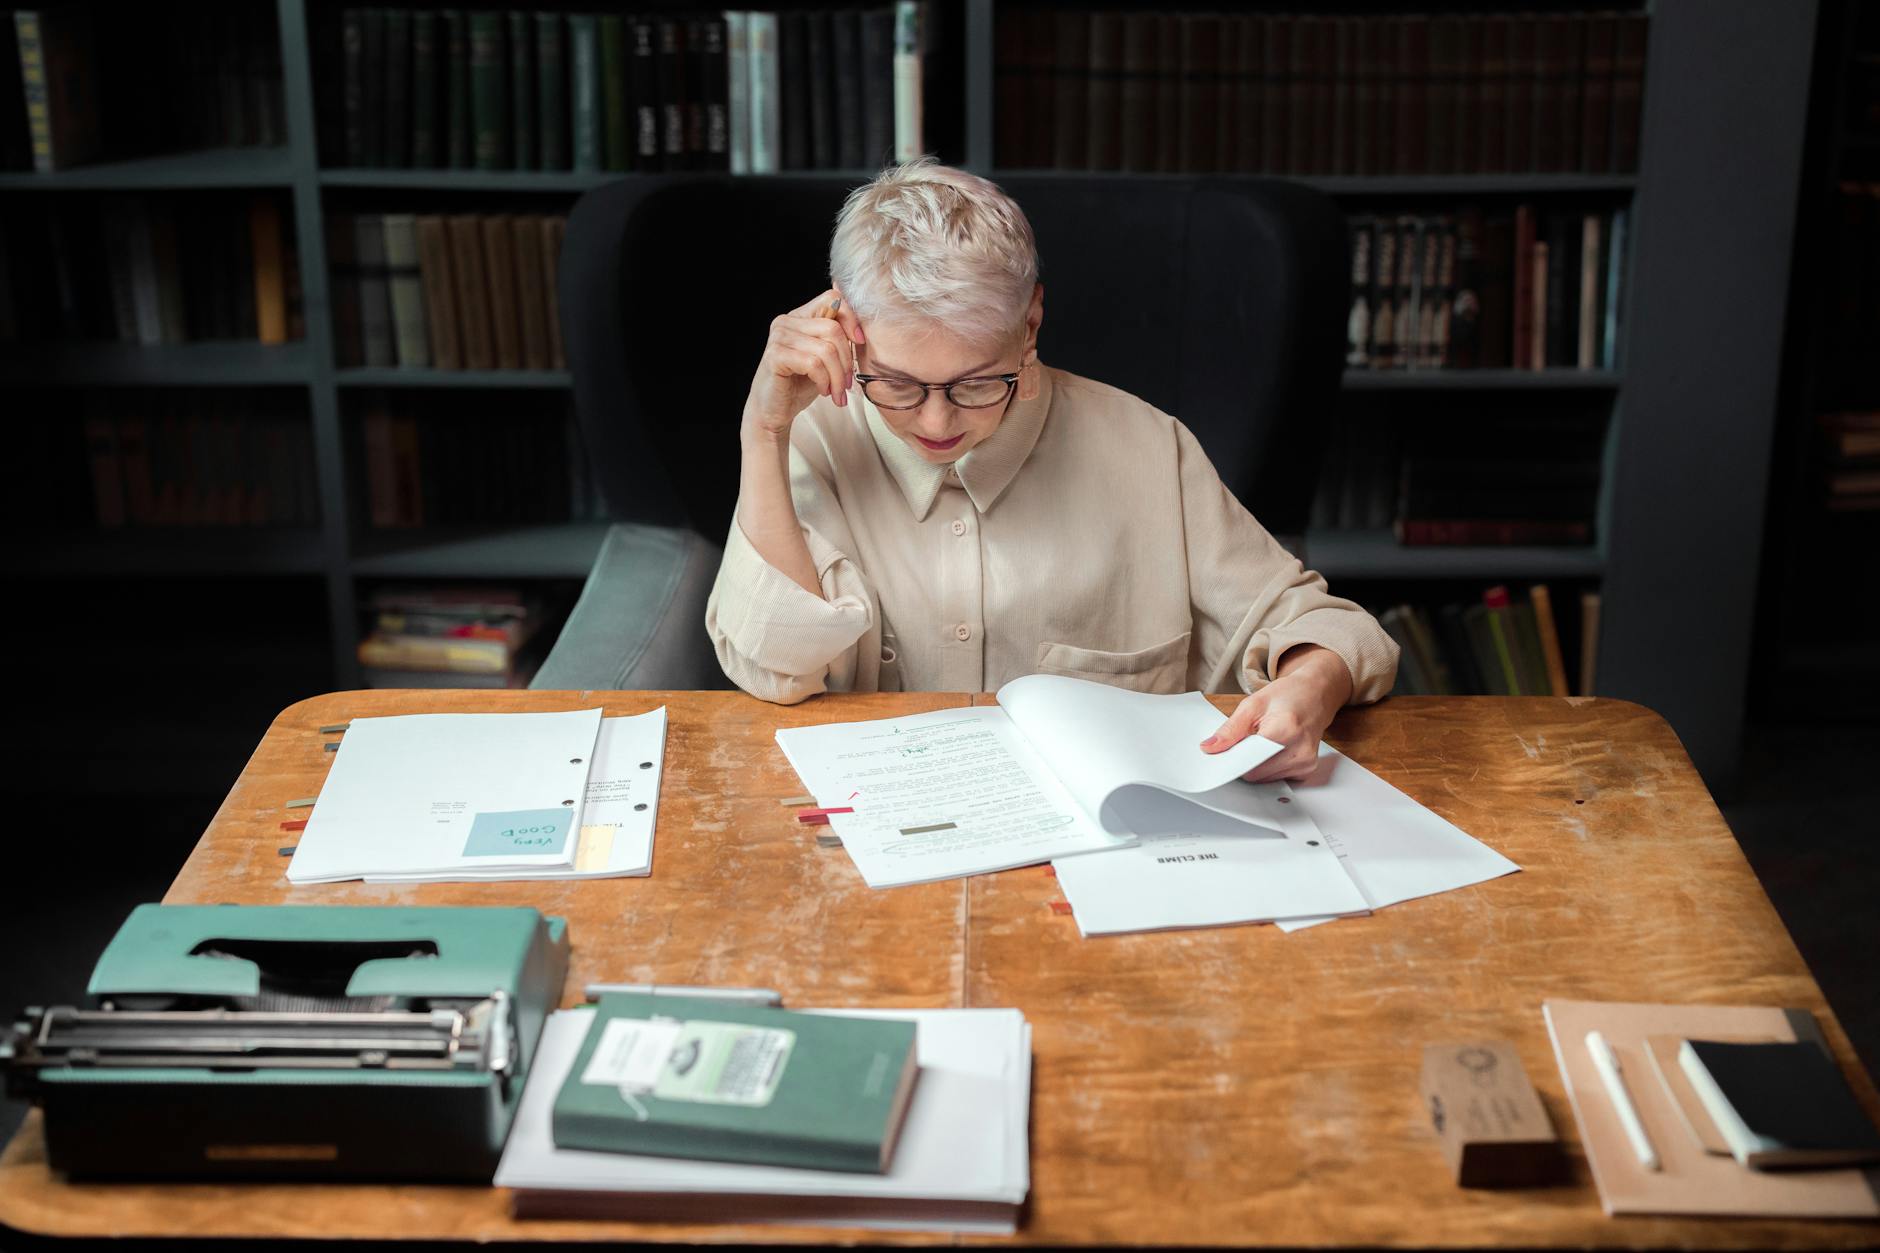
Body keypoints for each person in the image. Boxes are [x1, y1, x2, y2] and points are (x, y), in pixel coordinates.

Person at [705, 160, 1398, 782]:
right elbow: (773, 669)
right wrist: (761, 431)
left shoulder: (1150, 450)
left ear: (1031, 323)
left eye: (977, 383)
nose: (937, 423)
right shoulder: (812, 441)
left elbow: (1331, 627)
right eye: (897, 384)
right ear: (842, 323)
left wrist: (1310, 687)